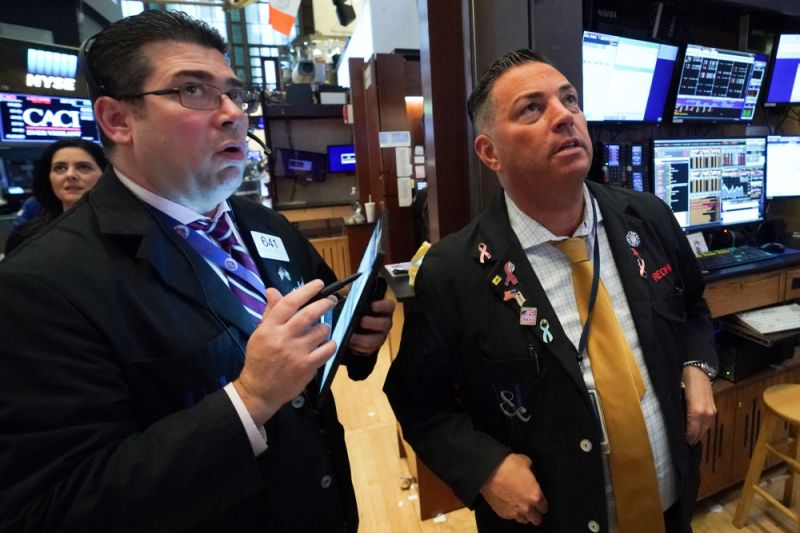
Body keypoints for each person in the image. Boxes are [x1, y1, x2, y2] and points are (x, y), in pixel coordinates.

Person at [0, 10, 393, 532]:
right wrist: (249, 399)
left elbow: (320, 320)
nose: (232, 113)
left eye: (233, 92)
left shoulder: (262, 224)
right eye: (193, 91)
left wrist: (355, 338)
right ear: (118, 120)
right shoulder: (43, 284)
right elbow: (54, 508)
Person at [384, 49, 718, 532]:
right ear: (489, 152)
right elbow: (418, 401)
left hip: (671, 509)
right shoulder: (453, 271)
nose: (564, 116)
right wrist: (484, 467)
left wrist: (699, 365)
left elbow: (693, 308)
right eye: (532, 109)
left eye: (571, 100)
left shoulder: (648, 218)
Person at [4, 138, 107, 254]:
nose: (70, 175)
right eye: (60, 168)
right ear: (48, 178)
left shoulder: (126, 232)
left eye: (83, 167)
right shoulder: (25, 238)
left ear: (106, 175)